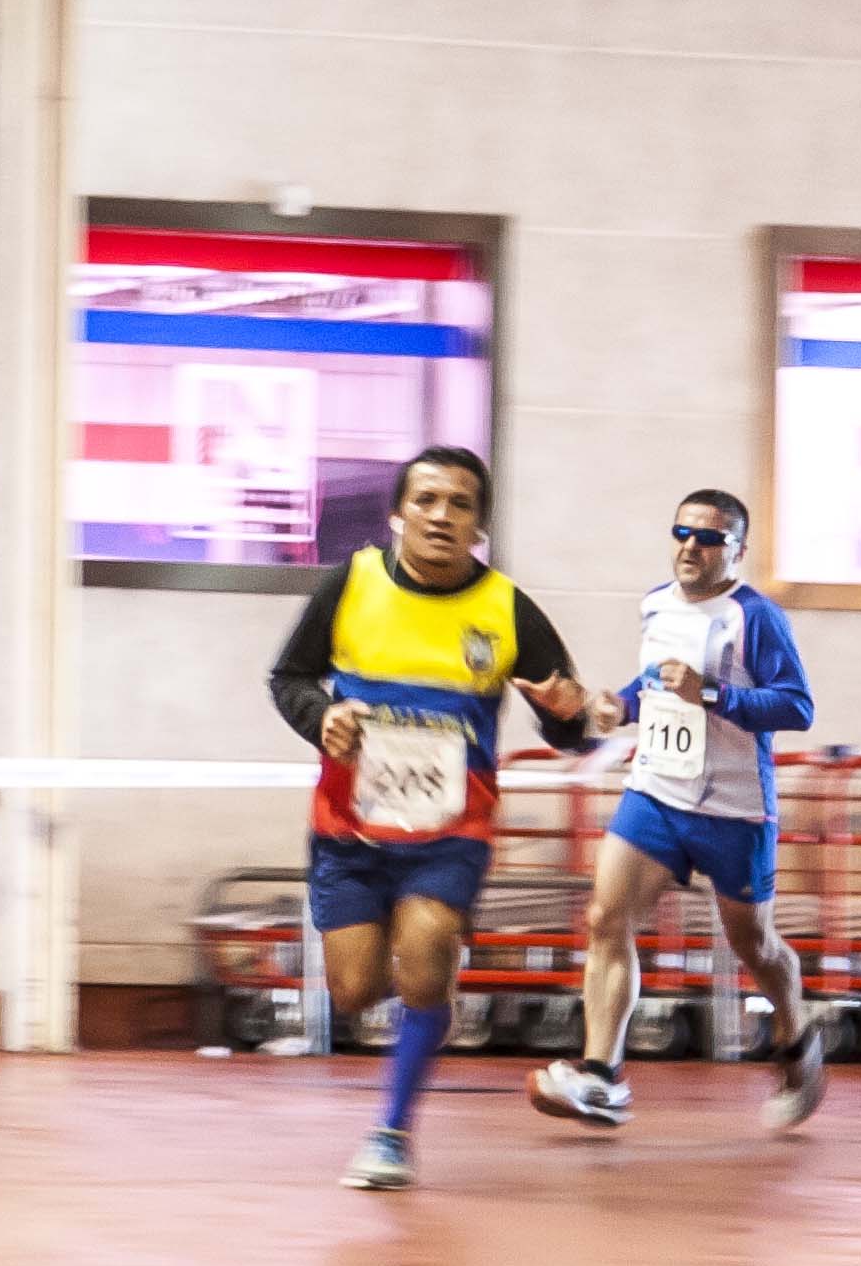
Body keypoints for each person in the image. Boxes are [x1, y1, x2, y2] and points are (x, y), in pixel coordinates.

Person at [266, 447, 600, 1190]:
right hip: (350, 830)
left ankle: (392, 1133)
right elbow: (288, 677)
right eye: (426, 500)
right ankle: (426, 998)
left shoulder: (507, 609)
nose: (442, 516)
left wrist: (568, 717)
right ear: (397, 514)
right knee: (354, 991)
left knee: (423, 956)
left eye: (460, 504)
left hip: (451, 833)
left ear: (479, 526)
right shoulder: (349, 585)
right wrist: (322, 717)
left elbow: (570, 724)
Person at [530, 489, 828, 1136]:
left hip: (734, 809)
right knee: (606, 918)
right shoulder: (655, 604)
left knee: (755, 945)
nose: (692, 546)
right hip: (657, 792)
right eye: (683, 533)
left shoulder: (757, 617)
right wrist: (619, 706)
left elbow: (796, 706)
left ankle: (797, 1034)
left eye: (710, 538)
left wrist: (713, 693)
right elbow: (655, 683)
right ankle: (601, 1076)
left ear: (737, 550)